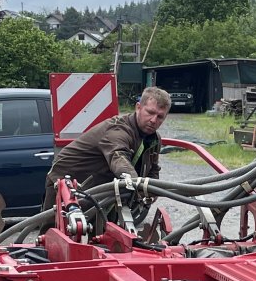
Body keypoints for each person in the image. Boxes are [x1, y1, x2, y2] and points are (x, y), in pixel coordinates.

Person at [42, 86, 171, 210]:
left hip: (99, 190)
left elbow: (153, 169)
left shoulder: (154, 139)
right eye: (150, 112)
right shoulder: (118, 130)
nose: (154, 120)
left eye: (160, 116)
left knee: (106, 229)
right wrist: (135, 182)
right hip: (67, 181)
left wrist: (152, 190)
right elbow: (119, 158)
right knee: (53, 230)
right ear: (138, 108)